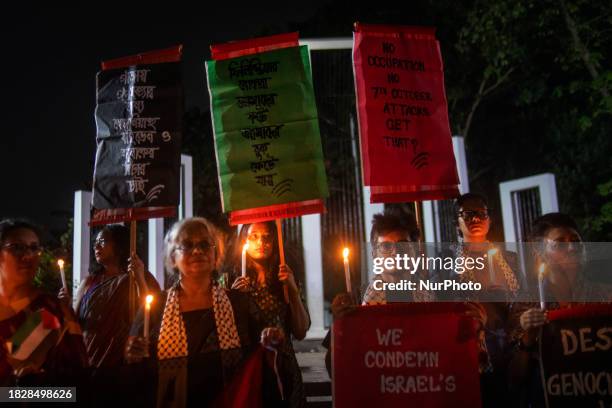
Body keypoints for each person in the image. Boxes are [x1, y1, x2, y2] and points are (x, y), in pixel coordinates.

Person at [124, 217, 285, 407]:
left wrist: (272, 341)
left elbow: (261, 353)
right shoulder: (156, 306)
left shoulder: (238, 303)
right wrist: (132, 355)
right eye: (187, 245)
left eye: (204, 244)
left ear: (216, 255)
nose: (197, 251)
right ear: (173, 258)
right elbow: (136, 368)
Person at [508, 212, 610, 407]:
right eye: (560, 243)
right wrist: (528, 339)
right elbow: (515, 379)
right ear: (539, 252)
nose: (572, 248)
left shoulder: (605, 295)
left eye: (576, 241)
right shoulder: (527, 304)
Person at [229, 222, 309, 408]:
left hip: (284, 368)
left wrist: (293, 290)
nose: (261, 242)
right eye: (254, 236)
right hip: (247, 368)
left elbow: (301, 331)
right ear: (244, 241)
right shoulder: (231, 279)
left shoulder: (285, 280)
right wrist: (231, 298)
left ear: (275, 240)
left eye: (267, 237)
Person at [0, 219, 87, 384]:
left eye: (34, 248)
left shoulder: (51, 311)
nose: (27, 256)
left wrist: (31, 390)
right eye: (17, 247)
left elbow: (76, 390)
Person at [64, 224, 160, 369]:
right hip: (90, 358)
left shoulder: (139, 276)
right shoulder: (89, 282)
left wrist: (139, 278)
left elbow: (149, 312)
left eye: (102, 241)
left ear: (119, 245)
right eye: (95, 242)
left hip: (123, 362)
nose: (96, 246)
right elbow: (75, 322)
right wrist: (64, 306)